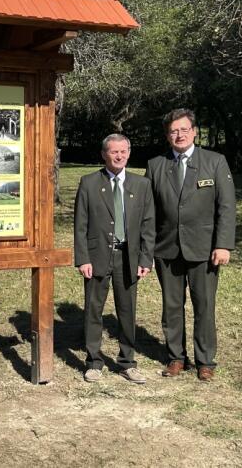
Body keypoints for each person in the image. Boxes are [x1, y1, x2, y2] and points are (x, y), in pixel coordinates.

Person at [145, 109, 235, 382]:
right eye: (173, 131)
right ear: (167, 135)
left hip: (204, 249)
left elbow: (227, 207)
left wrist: (223, 245)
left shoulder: (215, 162)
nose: (179, 135)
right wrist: (146, 250)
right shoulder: (155, 165)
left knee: (204, 305)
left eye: (184, 129)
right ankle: (176, 358)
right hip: (167, 249)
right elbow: (148, 212)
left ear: (195, 131)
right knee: (171, 306)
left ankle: (205, 360)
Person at [74, 134, 155, 384]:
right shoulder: (89, 183)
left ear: (129, 153)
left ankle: (127, 362)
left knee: (127, 310)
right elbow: (80, 225)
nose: (119, 156)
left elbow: (148, 225)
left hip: (128, 258)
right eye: (113, 152)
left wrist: (145, 258)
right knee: (93, 310)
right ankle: (94, 362)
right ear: (104, 154)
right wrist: (82, 258)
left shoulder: (141, 185)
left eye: (123, 151)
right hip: (98, 256)